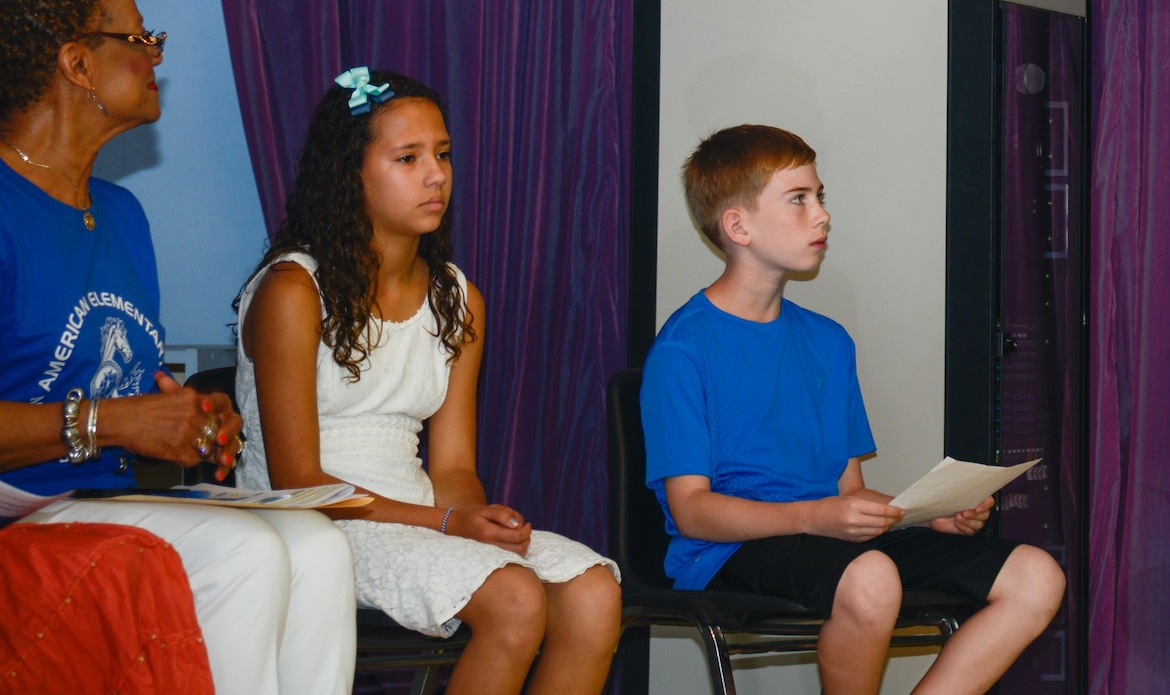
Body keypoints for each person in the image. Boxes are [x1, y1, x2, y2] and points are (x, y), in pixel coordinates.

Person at [0, 0, 356, 695]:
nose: (154, 56)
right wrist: (110, 421)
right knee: (244, 553)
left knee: (315, 544)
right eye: (138, 39)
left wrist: (186, 415)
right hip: (1, 521)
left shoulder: (120, 214)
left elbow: (123, 381)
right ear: (77, 62)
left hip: (102, 499)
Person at [235, 67, 622, 695]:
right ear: (350, 173)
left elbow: (453, 466)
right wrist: (446, 527)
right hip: (312, 526)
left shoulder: (458, 296)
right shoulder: (292, 289)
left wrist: (479, 523)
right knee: (517, 600)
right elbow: (296, 482)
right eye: (407, 157)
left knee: (594, 591)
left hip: (419, 511)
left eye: (441, 154)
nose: (436, 174)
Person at [641, 124, 1065, 695]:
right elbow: (692, 511)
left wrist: (919, 513)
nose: (822, 216)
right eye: (799, 200)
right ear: (737, 226)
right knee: (871, 579)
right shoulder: (683, 351)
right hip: (728, 551)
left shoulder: (829, 341)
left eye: (820, 197)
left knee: (1037, 576)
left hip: (825, 537)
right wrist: (814, 517)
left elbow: (848, 493)